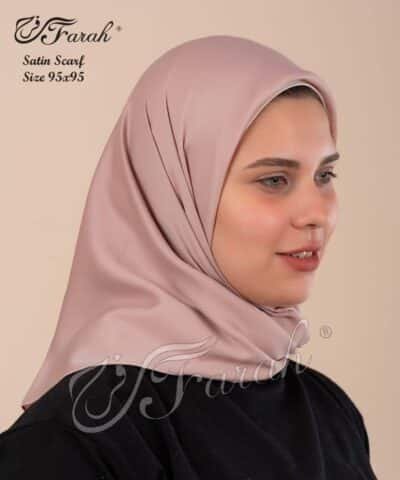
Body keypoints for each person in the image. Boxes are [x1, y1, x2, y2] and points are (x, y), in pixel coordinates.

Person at [0, 35, 378, 479]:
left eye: (325, 175)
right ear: (174, 194)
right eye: (274, 180)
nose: (317, 213)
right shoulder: (73, 440)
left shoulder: (328, 411)